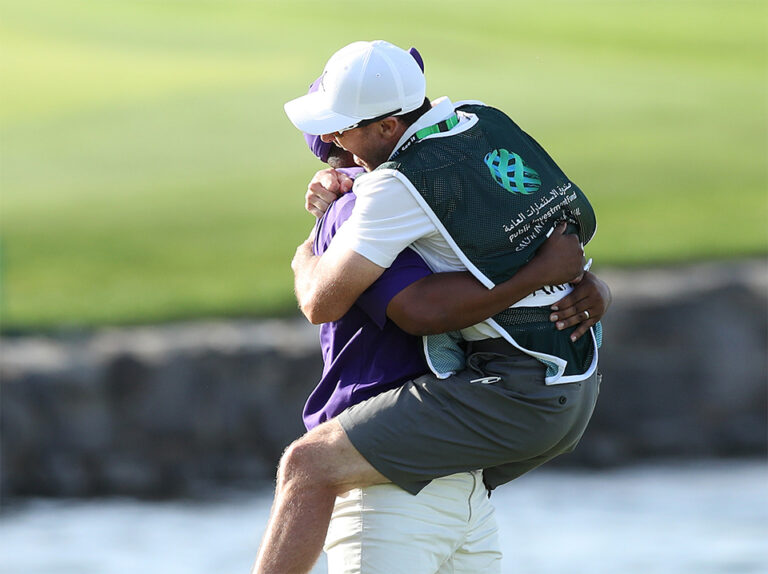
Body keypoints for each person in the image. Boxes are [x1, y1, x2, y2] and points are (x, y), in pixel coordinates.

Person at [255, 40, 610, 573]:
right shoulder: (482, 122)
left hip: (516, 395)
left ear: (387, 129)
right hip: (574, 389)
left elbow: (326, 302)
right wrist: (585, 282)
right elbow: (550, 234)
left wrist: (305, 256)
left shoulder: (391, 190)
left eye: (341, 127)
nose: (333, 138)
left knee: (306, 464)